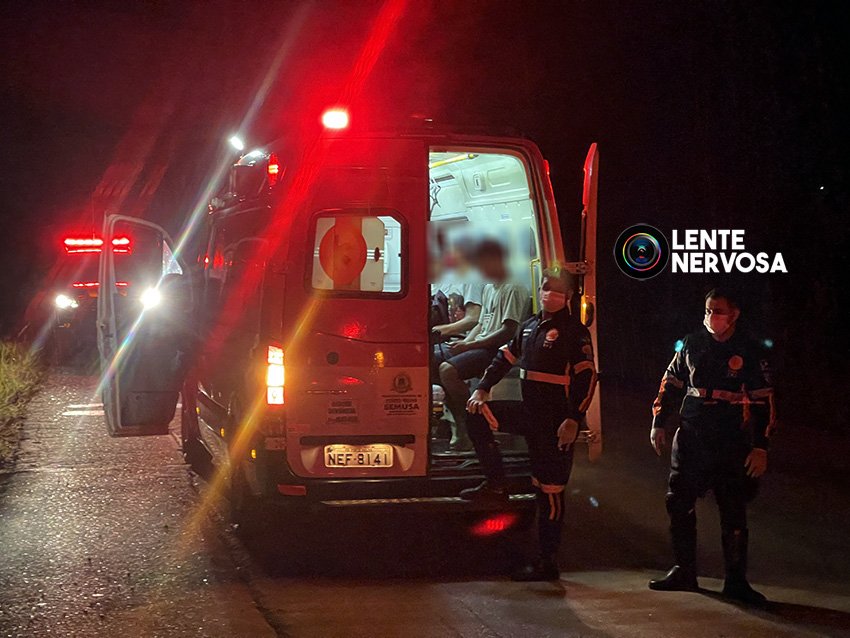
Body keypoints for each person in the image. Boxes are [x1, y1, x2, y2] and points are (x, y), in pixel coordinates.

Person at [461, 270, 597, 581]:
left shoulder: (574, 333)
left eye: (556, 289)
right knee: (476, 414)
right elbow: (503, 358)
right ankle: (496, 485)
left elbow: (587, 379)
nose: (549, 293)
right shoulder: (530, 327)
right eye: (546, 287)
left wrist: (573, 419)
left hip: (556, 425)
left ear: (569, 296)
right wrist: (482, 387)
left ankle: (547, 562)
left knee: (548, 491)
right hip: (529, 415)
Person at [649, 288, 775, 604]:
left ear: (733, 315)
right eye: (707, 310)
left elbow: (763, 401)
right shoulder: (693, 343)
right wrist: (659, 422)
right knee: (678, 501)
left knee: (733, 507)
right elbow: (672, 382)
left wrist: (761, 447)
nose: (710, 317)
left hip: (730, 437)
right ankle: (684, 571)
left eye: (717, 311)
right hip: (692, 434)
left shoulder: (749, 349)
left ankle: (736, 582)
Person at [435, 239, 528, 451]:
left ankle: (472, 421)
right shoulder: (489, 288)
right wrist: (466, 341)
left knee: (447, 370)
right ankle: (455, 423)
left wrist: (470, 346)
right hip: (481, 344)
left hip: (498, 349)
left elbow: (507, 331)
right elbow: (481, 323)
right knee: (433, 358)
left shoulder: (513, 288)